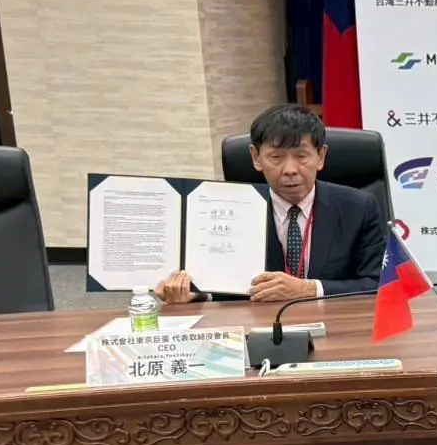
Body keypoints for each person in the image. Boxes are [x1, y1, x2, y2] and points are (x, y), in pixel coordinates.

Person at [156, 105, 386, 304]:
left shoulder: (359, 207)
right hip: (260, 326)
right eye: (276, 158)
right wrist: (194, 293)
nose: (290, 170)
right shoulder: (228, 209)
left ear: (321, 156)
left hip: (335, 324)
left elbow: (378, 283)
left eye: (301, 156)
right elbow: (222, 284)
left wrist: (308, 289)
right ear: (256, 158)